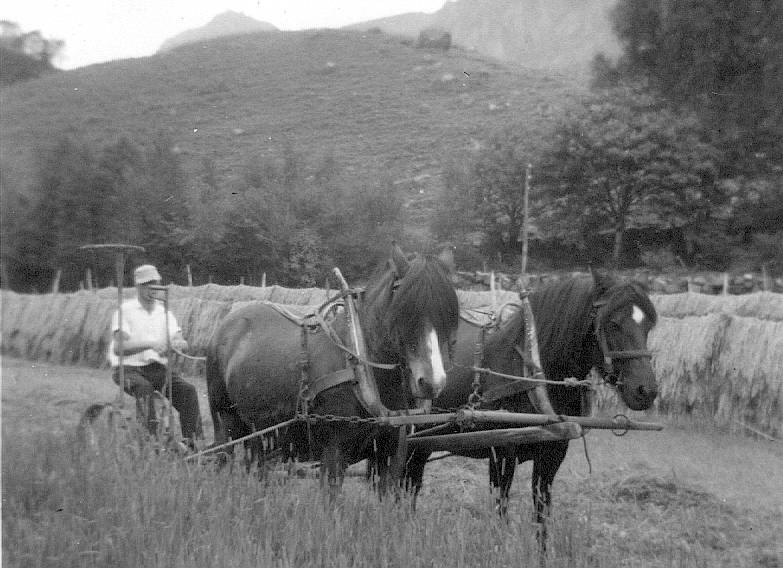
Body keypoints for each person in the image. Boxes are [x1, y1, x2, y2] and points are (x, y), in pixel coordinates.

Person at [108, 264, 201, 448]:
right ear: (138, 286)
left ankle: (192, 445)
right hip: (127, 369)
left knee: (188, 392)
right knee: (145, 389)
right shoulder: (125, 311)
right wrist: (150, 344)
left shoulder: (164, 313)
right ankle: (151, 443)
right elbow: (120, 348)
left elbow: (179, 338)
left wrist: (178, 343)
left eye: (155, 283)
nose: (153, 288)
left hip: (156, 369)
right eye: (147, 284)